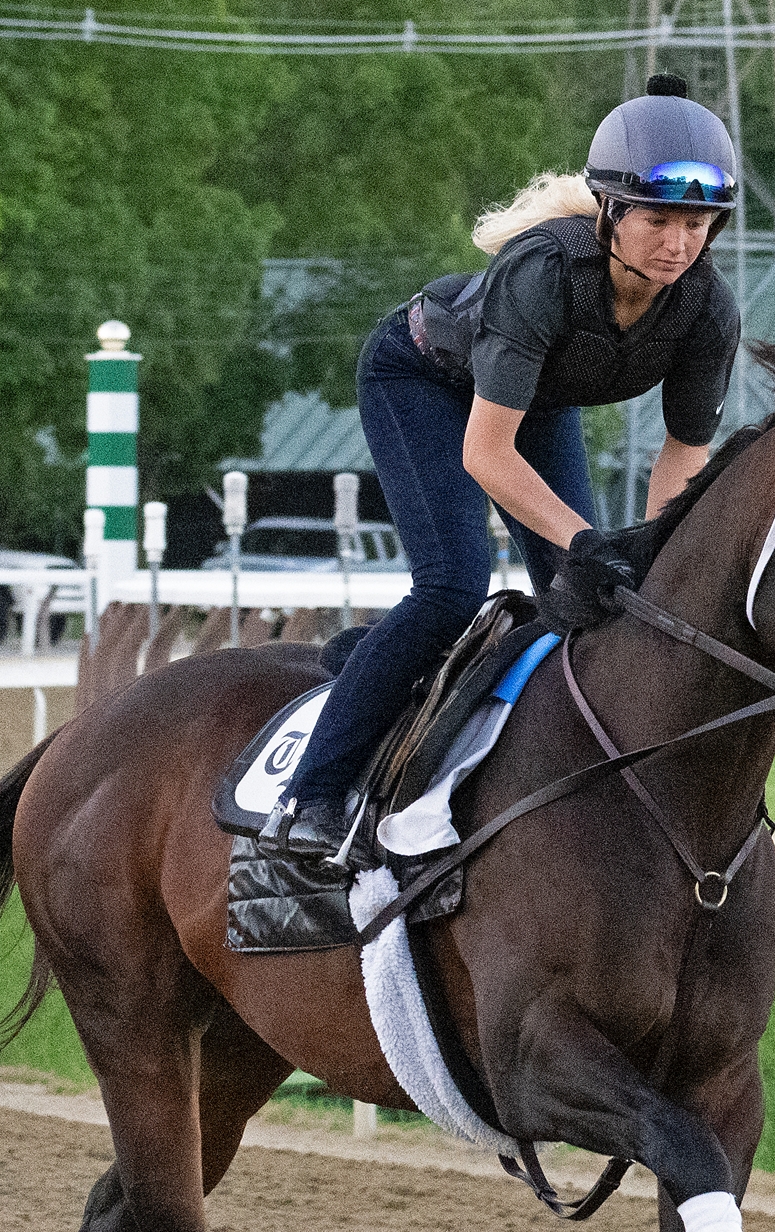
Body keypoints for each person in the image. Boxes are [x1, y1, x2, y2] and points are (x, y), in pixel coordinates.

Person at [266, 74, 745, 861]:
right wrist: (589, 537)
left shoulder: (706, 308)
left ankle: (389, 669)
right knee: (453, 585)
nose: (678, 243)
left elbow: (684, 454)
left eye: (698, 223)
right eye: (659, 219)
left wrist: (660, 551)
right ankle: (312, 795)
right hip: (419, 380)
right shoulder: (544, 271)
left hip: (535, 404)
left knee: (590, 600)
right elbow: (485, 452)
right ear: (611, 213)